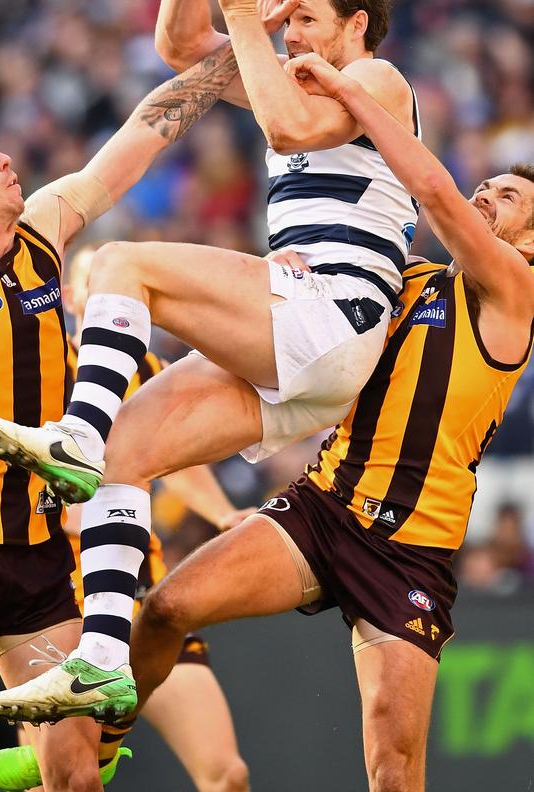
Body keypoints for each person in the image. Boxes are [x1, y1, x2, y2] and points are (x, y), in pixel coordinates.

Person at [0, 0, 424, 722]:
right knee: (125, 455)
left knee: (118, 263)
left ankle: (72, 430)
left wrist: (248, 11)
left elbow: (286, 127)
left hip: (331, 311)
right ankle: (103, 659)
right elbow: (183, 47)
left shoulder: (380, 80)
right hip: (305, 349)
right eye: (289, 23)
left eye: (308, 21)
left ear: (357, 25)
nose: (293, 36)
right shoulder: (291, 72)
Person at [0, 0, 242, 792]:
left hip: (39, 552)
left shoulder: (44, 231)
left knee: (76, 773)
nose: (5, 158)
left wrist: (246, 47)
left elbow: (138, 138)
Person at [123, 55, 534, 792]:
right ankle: (96, 745)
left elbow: (434, 189)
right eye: (489, 183)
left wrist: (353, 93)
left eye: (508, 196)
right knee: (166, 607)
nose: (485, 192)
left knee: (392, 765)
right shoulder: (402, 278)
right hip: (324, 508)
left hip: (411, 550)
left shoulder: (516, 290)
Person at [0, 245, 251, 792]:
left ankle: (84, 747)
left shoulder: (147, 367)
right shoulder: (38, 367)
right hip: (61, 594)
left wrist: (222, 514)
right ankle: (73, 750)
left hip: (141, 590)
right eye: (96, 280)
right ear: (74, 299)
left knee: (228, 773)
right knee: (67, 781)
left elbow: (171, 459)